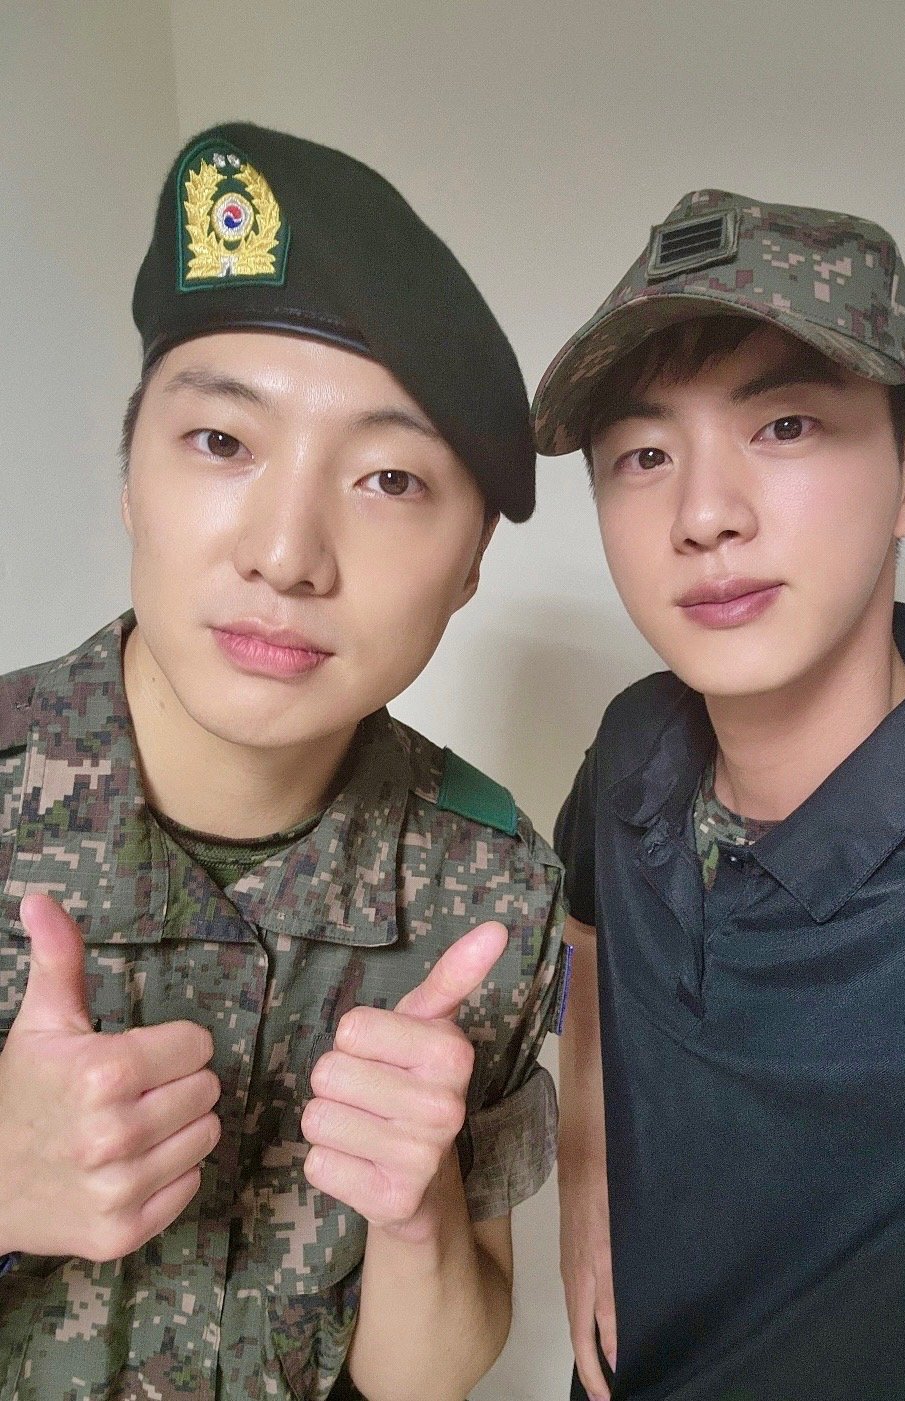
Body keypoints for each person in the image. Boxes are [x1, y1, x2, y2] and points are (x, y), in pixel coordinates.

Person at [0, 122, 567, 1401]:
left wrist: (417, 1215)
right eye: (222, 443)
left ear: (471, 567)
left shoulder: (493, 892)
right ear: (131, 477)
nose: (287, 554)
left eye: (389, 479)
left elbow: (429, 1372)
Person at [532, 189, 905, 1400]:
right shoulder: (634, 747)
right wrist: (587, 1168)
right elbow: (587, 938)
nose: (704, 515)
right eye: (645, 456)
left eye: (786, 425)